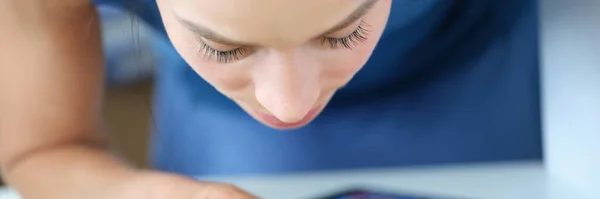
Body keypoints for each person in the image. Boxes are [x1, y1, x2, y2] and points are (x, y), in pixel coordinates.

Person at [0, 0, 541, 198]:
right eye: (223, 47)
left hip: (469, 61)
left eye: (343, 33)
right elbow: (39, 150)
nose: (288, 106)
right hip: (221, 119)